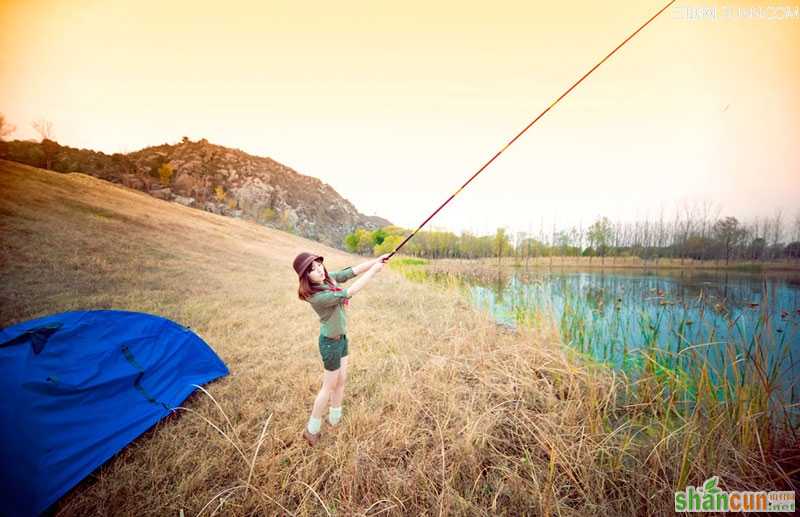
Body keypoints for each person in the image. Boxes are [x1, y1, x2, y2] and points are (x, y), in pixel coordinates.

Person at [292, 251, 389, 445]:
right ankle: (311, 430)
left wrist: (374, 262)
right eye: (312, 270)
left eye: (319, 265)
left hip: (341, 338)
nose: (319, 270)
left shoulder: (328, 280)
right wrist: (374, 272)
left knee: (342, 379)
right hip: (330, 343)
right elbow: (349, 292)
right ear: (306, 277)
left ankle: (335, 418)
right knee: (328, 386)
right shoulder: (317, 296)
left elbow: (351, 272)